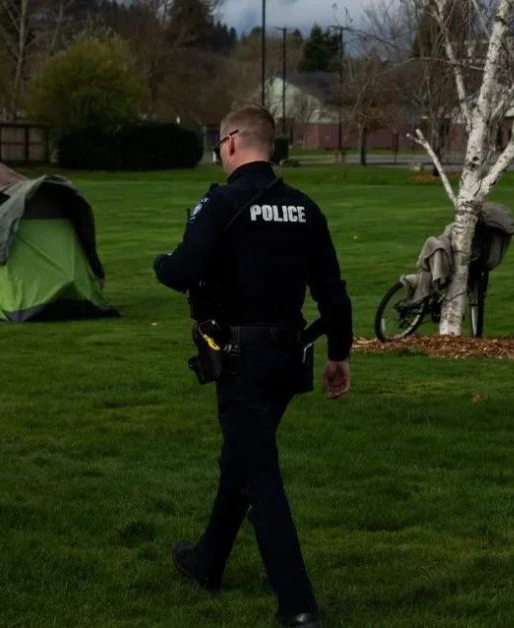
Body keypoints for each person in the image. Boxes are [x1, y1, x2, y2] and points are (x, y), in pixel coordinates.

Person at [153, 105, 353, 628]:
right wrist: (339, 355)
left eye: (219, 145)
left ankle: (298, 607)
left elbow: (182, 272)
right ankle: (205, 564)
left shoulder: (220, 203)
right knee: (241, 460)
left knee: (260, 475)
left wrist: (159, 264)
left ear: (234, 142)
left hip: (241, 360)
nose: (220, 154)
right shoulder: (306, 209)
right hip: (288, 358)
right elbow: (333, 295)